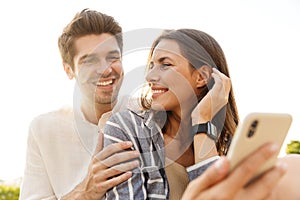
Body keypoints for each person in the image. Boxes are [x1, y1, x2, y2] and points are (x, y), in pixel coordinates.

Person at [102, 29, 300, 199]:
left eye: (166, 64)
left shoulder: (229, 146)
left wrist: (203, 123)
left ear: (201, 77)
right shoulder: (126, 129)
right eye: (152, 65)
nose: (150, 76)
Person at [20, 9, 140, 200]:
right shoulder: (43, 130)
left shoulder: (148, 115)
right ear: (69, 70)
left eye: (112, 57)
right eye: (89, 60)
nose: (105, 69)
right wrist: (86, 191)